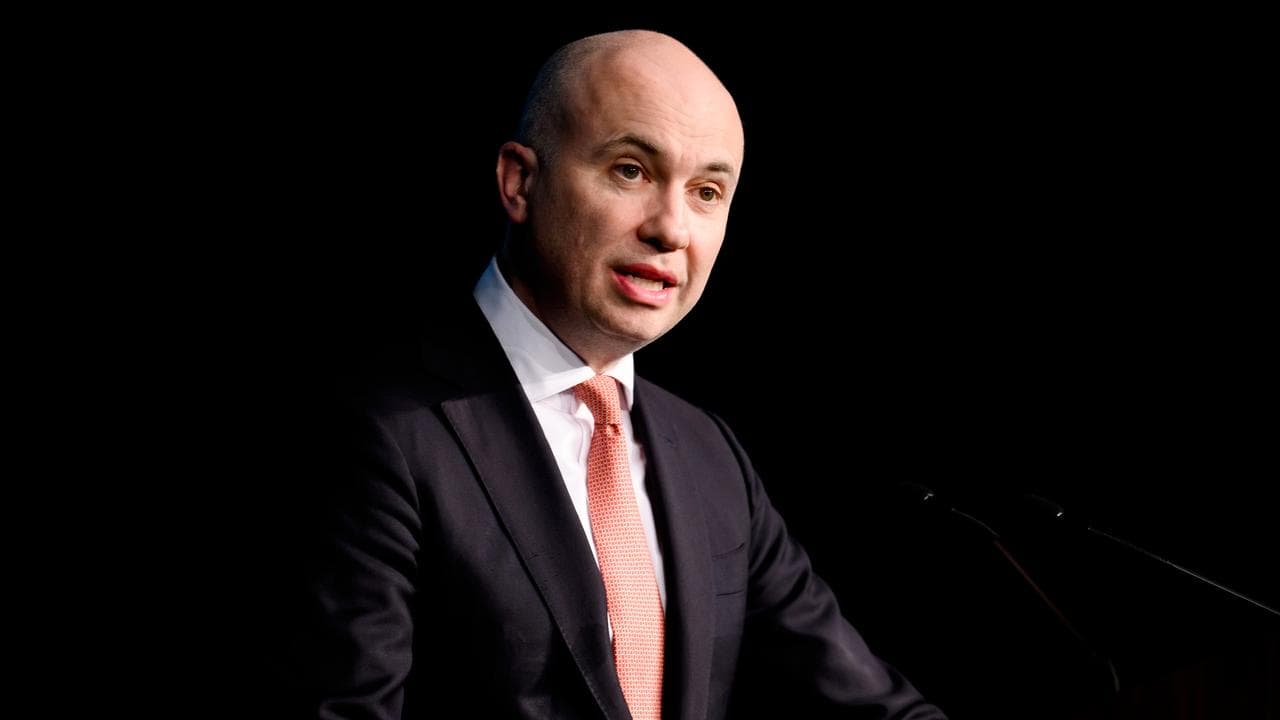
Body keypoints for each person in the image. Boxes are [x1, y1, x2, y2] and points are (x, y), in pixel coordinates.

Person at [295, 29, 946, 720]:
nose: (671, 229)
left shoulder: (708, 453)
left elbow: (864, 703)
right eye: (631, 170)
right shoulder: (378, 429)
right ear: (520, 181)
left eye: (706, 191)